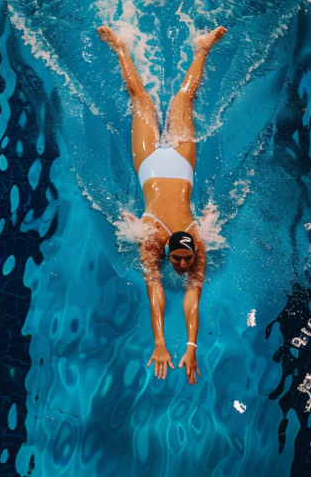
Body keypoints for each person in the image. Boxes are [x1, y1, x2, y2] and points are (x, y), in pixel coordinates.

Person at [97, 25, 227, 385]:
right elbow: (157, 291)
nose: (184, 264)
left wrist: (188, 345)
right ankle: (197, 49)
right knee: (175, 101)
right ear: (169, 250)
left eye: (184, 260)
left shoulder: (195, 246)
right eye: (180, 259)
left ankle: (124, 46)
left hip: (149, 164)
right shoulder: (153, 240)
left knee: (145, 101)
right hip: (180, 164)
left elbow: (190, 300)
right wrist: (162, 342)